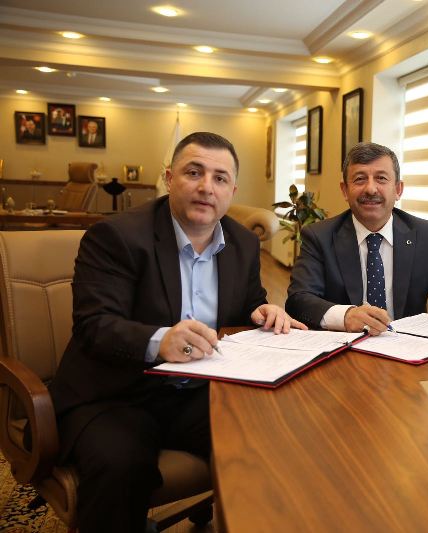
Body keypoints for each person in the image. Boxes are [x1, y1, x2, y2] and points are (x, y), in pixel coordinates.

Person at [48, 132, 306, 533]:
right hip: (116, 394)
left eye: (220, 178)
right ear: (170, 178)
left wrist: (261, 312)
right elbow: (94, 325)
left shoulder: (241, 243)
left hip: (198, 392)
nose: (206, 187)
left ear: (232, 191)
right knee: (121, 466)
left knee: (271, 438)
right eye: (193, 172)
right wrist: (160, 340)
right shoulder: (116, 236)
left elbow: (247, 302)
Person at [286, 142, 428, 335]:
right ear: (345, 190)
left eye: (381, 178)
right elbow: (299, 299)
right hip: (343, 352)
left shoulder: (426, 235)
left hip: (406, 353)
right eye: (359, 179)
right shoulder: (319, 236)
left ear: (398, 189)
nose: (371, 189)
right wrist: (346, 316)